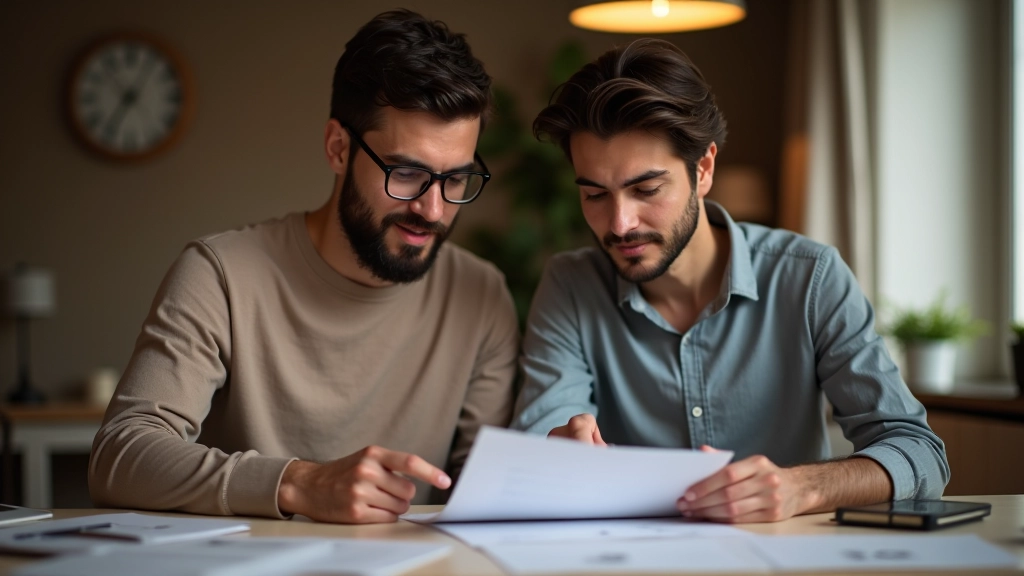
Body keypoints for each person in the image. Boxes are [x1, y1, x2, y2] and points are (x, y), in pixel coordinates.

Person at [89, 9, 519, 525]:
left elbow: (487, 490)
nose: (433, 209)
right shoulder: (221, 274)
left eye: (456, 179)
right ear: (339, 148)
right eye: (407, 173)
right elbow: (119, 457)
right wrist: (298, 482)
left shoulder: (482, 295)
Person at [512, 39, 948, 523]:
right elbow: (539, 443)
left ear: (703, 169)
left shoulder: (809, 277)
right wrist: (555, 452)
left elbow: (920, 453)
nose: (619, 223)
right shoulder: (570, 285)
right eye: (595, 194)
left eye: (646, 190)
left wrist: (801, 487)